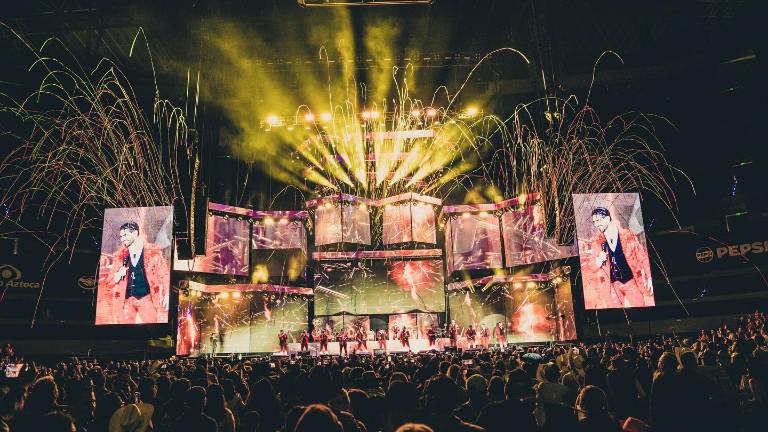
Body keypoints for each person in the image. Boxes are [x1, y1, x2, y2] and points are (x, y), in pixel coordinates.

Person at [587, 207, 653, 308]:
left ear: (607, 218)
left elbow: (642, 256)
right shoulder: (597, 242)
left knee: (640, 306)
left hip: (631, 282)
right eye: (594, 222)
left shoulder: (628, 235)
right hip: (612, 287)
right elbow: (591, 265)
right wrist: (598, 262)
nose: (596, 224)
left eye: (598, 220)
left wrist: (649, 276)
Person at [106, 221, 170, 324]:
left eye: (125, 235)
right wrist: (117, 276)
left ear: (135, 233)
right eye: (121, 236)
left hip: (147, 299)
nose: (122, 239)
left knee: (151, 328)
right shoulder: (120, 256)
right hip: (126, 302)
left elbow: (164, 274)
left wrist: (167, 293)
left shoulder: (152, 253)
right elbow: (109, 282)